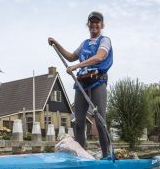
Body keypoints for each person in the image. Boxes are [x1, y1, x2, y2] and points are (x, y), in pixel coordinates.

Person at [48, 11, 113, 159]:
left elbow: (99, 57)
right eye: (92, 22)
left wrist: (76, 67)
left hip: (97, 82)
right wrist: (56, 44)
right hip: (81, 83)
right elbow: (71, 57)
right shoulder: (84, 44)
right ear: (88, 25)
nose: (94, 24)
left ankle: (107, 155)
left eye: (97, 22)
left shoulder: (105, 41)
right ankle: (81, 156)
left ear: (101, 25)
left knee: (99, 119)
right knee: (79, 122)